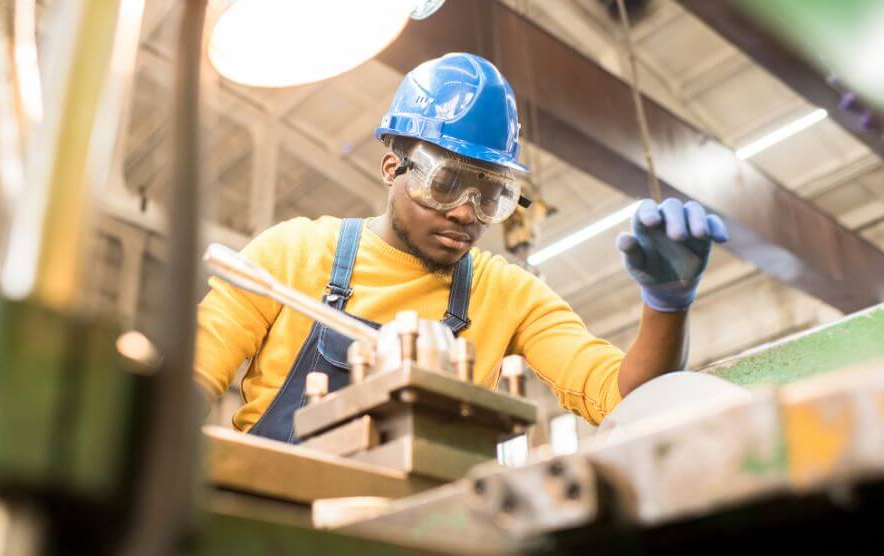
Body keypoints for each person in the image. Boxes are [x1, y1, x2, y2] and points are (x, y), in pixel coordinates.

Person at [194, 52, 727, 443]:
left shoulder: (509, 294)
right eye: (445, 183)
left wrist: (666, 308)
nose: (467, 213)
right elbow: (189, 382)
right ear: (391, 167)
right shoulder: (290, 255)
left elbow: (624, 399)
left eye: (492, 195)